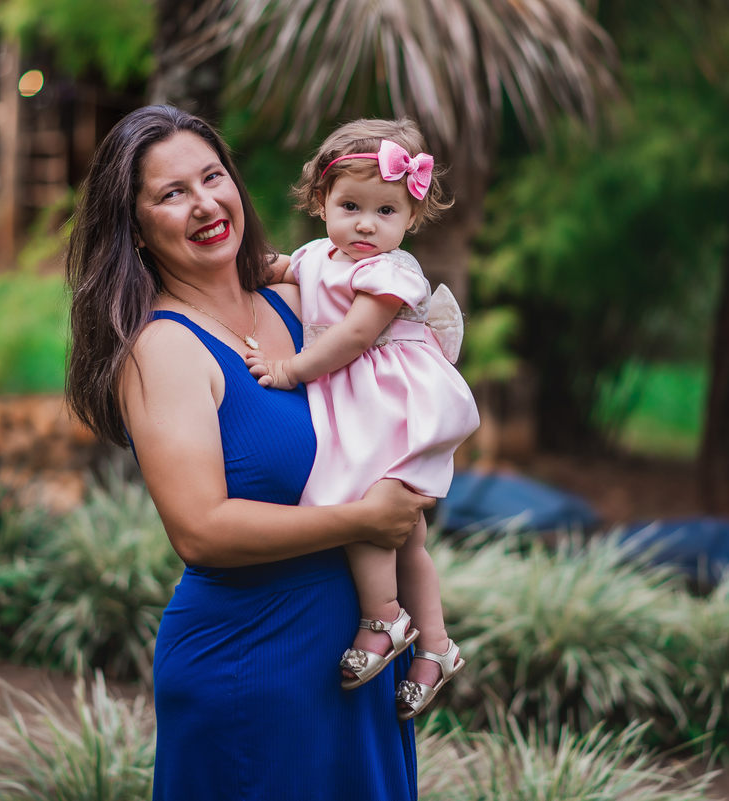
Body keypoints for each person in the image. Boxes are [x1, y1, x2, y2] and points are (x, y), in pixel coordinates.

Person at [64, 105, 435, 801]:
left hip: (356, 656)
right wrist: (364, 520)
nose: (205, 203)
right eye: (172, 193)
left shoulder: (304, 300)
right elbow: (200, 530)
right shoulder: (163, 348)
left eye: (213, 176)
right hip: (253, 667)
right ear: (135, 229)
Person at [246, 119, 480, 720]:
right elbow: (275, 268)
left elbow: (353, 336)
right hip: (360, 400)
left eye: (386, 210)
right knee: (410, 537)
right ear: (321, 203)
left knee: (367, 510)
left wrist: (291, 369)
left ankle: (385, 620)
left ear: (411, 217)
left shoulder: (391, 271)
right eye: (350, 206)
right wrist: (241, 270)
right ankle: (435, 647)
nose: (366, 224)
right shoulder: (315, 256)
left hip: (394, 400)